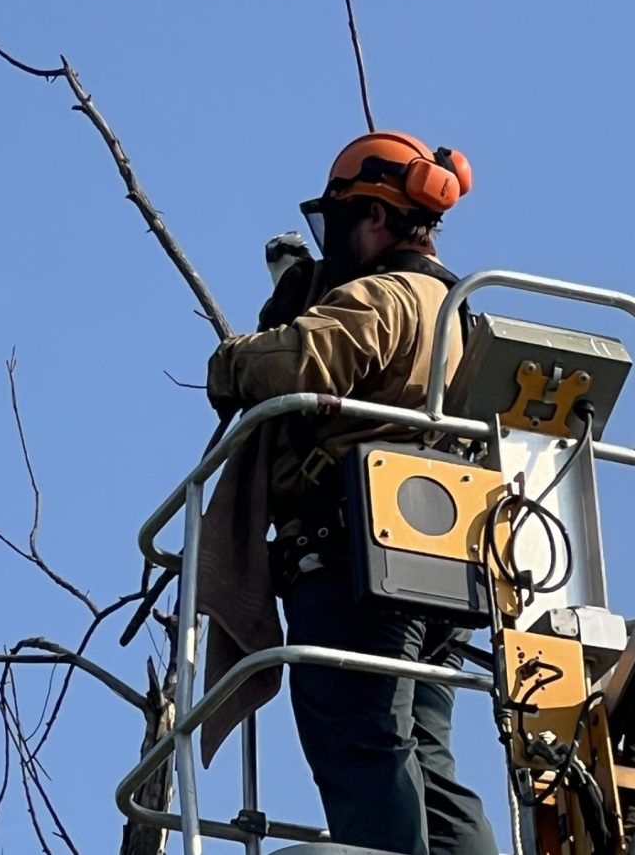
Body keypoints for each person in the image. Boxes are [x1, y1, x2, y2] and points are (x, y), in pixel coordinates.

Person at [205, 131, 499, 855]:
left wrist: (233, 359)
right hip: (441, 571)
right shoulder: (457, 311)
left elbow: (305, 358)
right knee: (428, 762)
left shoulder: (388, 295)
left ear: (371, 218)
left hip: (355, 569)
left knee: (362, 745)